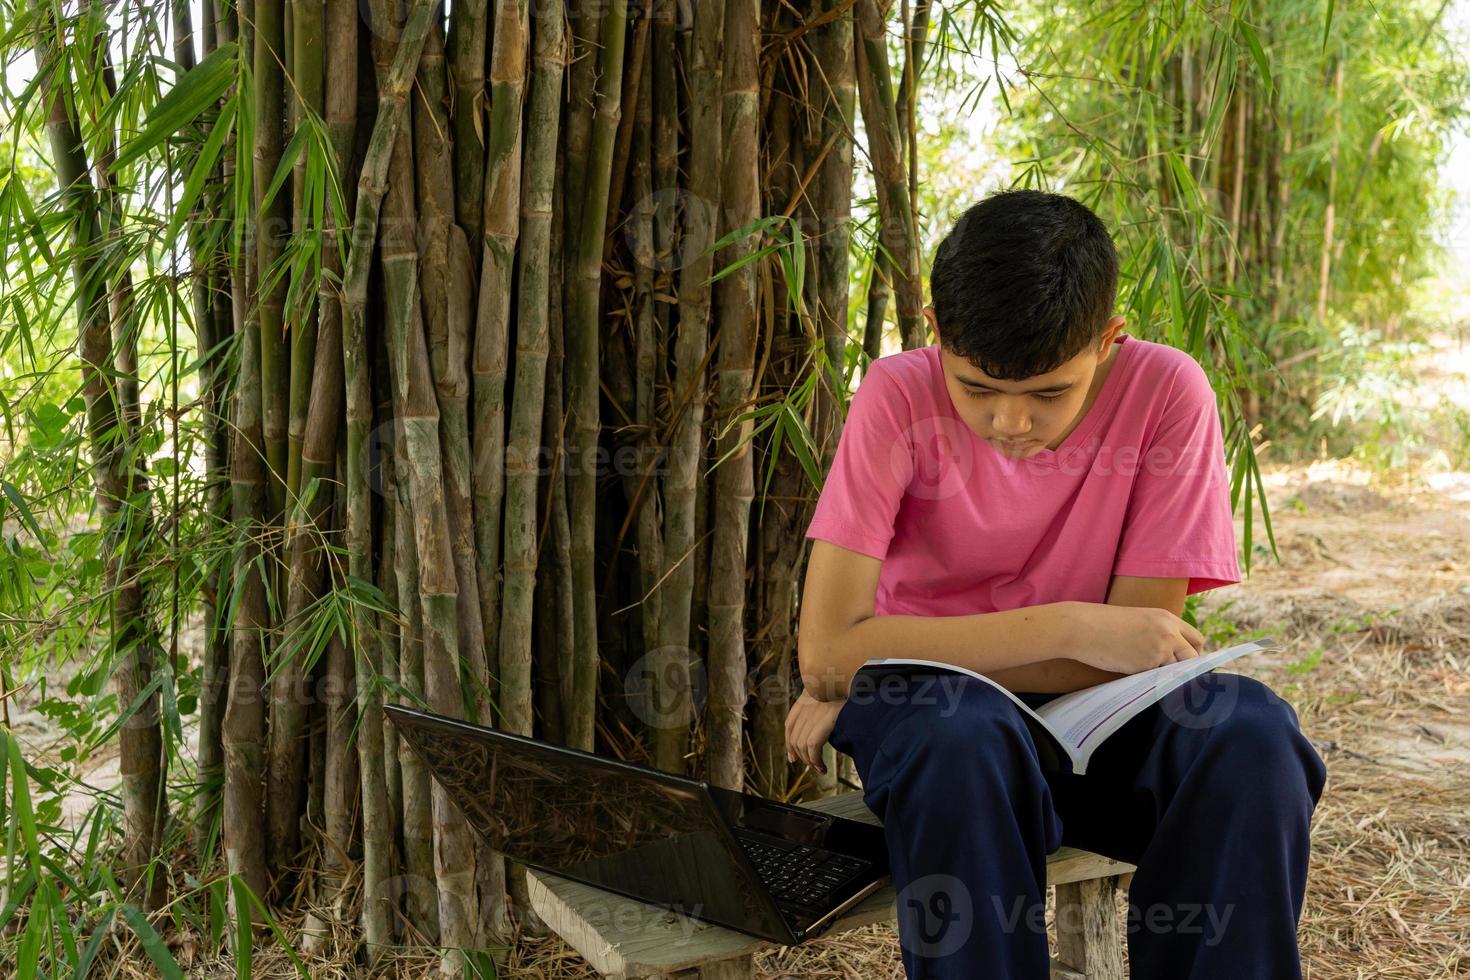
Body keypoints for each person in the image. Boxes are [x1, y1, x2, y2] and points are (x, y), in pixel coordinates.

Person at [785, 189, 1327, 979]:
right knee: (960, 737)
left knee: (1253, 737)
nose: (1011, 423)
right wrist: (1078, 628)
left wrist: (874, 654)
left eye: (1048, 394)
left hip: (1099, 735)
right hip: (945, 740)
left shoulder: (1168, 393)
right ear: (936, 335)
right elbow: (827, 654)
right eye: (975, 389)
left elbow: (1137, 651)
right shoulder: (897, 395)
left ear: (1108, 341)